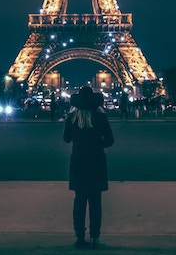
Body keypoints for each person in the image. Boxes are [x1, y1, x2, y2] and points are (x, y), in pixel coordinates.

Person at [63, 86, 114, 249]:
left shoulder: (72, 117)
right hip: (96, 161)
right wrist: (97, 144)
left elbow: (66, 139)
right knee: (95, 201)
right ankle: (95, 237)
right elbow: (109, 140)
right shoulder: (100, 116)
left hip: (78, 161)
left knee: (79, 201)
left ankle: (79, 237)